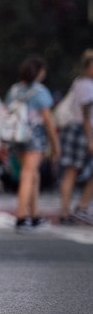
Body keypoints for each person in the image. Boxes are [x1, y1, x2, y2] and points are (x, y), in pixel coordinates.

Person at [3, 55, 60, 233]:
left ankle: (35, 216)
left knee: (33, 174)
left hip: (17, 136)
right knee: (29, 174)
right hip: (34, 136)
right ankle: (21, 217)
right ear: (39, 72)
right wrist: (55, 144)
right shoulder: (40, 92)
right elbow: (48, 121)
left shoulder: (13, 90)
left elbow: (7, 115)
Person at [58, 52, 93, 225]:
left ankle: (68, 211)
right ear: (87, 67)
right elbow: (86, 116)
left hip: (75, 129)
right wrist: (91, 139)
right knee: (72, 171)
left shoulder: (78, 83)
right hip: (82, 130)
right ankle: (80, 208)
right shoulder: (86, 85)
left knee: (70, 172)